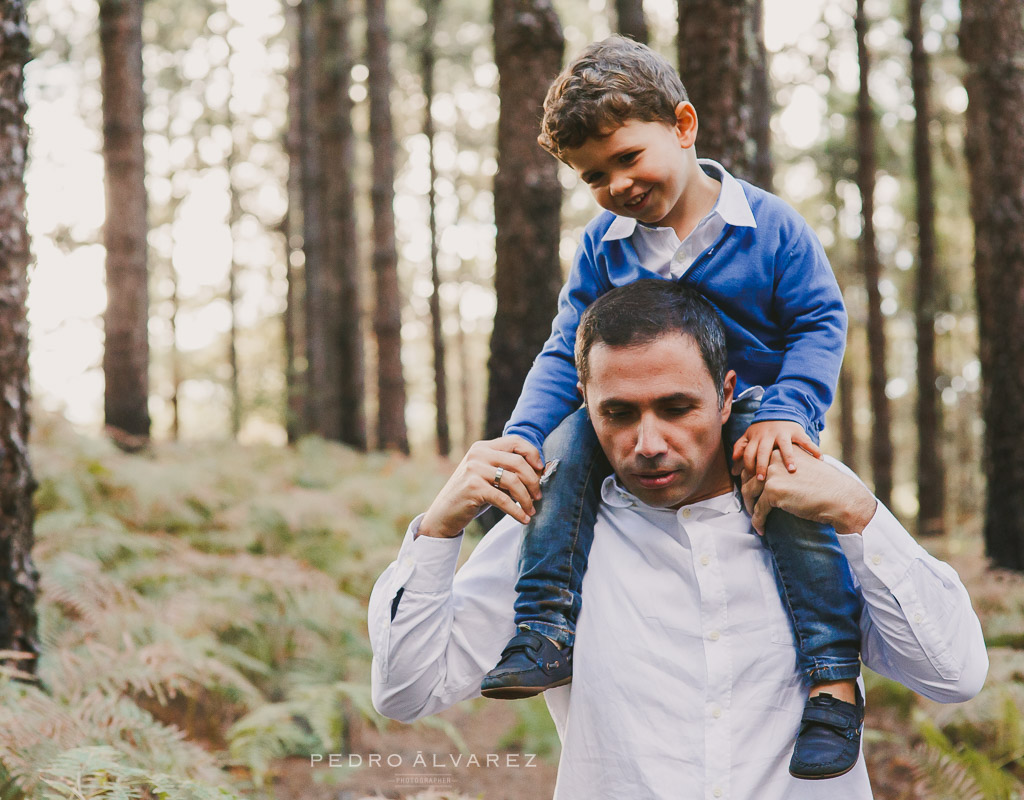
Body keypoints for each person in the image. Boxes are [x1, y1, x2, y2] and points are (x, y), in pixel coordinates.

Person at [369, 282, 987, 799]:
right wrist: (438, 530)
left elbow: (954, 674)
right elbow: (406, 692)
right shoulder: (550, 530)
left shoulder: (819, 502)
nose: (648, 443)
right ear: (584, 404)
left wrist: (860, 514)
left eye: (676, 407)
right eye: (619, 413)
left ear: (725, 395)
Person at [483, 36, 859, 778]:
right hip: (641, 413)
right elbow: (568, 349)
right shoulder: (605, 246)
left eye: (627, 158)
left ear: (683, 126)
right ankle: (544, 627)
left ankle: (833, 682)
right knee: (562, 455)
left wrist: (791, 411)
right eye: (595, 176)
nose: (617, 184)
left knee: (788, 495)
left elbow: (820, 321)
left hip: (752, 404)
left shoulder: (769, 227)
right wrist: (525, 435)